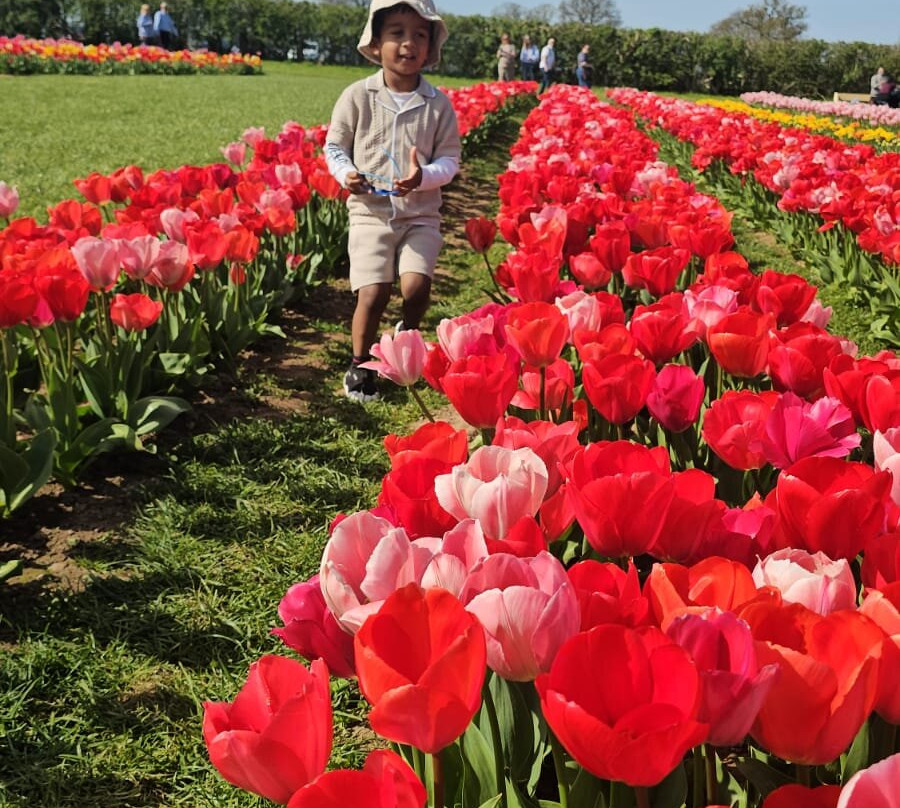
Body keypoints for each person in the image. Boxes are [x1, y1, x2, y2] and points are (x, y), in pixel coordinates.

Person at [324, 0, 461, 402]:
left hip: (421, 214)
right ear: (375, 42)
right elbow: (334, 147)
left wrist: (423, 178)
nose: (408, 43)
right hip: (370, 213)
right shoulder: (357, 96)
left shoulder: (437, 105)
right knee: (374, 292)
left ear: (431, 46)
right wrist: (346, 174)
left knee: (416, 287)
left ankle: (406, 335)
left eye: (420, 34)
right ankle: (360, 364)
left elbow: (450, 160)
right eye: (397, 33)